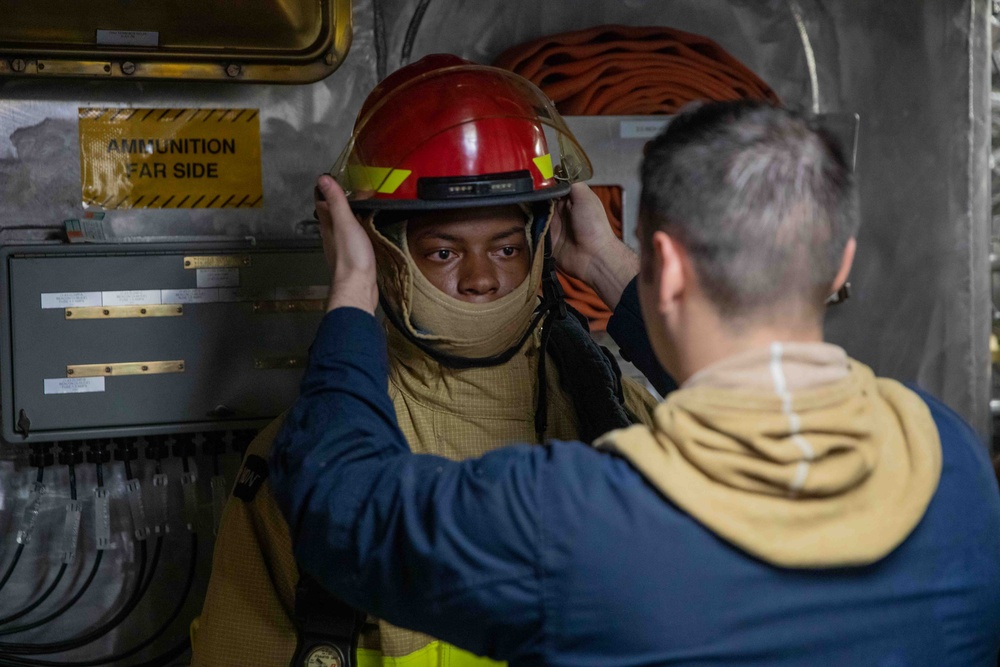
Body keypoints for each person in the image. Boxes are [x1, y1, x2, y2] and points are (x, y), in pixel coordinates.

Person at [269, 100, 1000, 666]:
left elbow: (339, 505)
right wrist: (615, 270)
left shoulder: (570, 520)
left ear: (669, 268)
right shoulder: (953, 460)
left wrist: (354, 299)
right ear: (840, 264)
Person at [190, 55, 659, 667]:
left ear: (541, 243)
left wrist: (602, 260)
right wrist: (355, 289)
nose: (482, 279)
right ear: (388, 254)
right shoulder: (305, 461)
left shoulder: (619, 414)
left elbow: (757, 395)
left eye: (508, 246)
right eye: (442, 252)